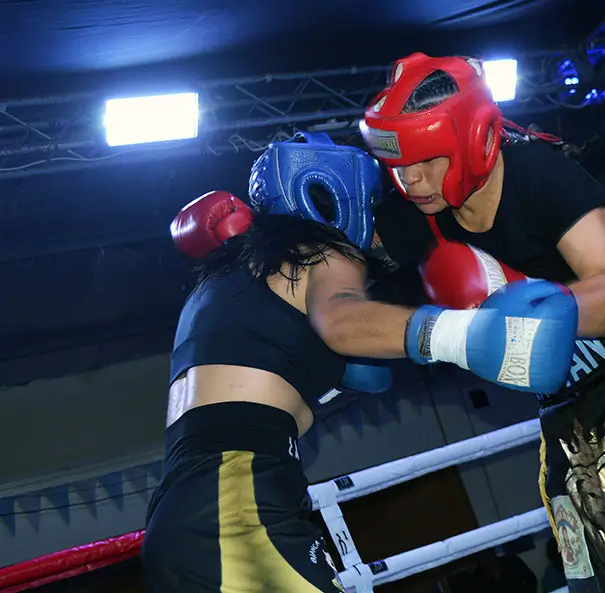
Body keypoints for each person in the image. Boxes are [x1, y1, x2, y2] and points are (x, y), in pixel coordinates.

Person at [360, 53, 605, 593]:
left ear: (474, 138)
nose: (411, 179)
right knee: (590, 588)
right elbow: (347, 269)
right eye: (398, 163)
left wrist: (535, 311)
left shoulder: (537, 174)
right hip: (568, 418)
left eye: (427, 159)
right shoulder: (416, 209)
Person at [140, 131, 580, 593]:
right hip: (237, 504)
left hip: (180, 511)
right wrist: (465, 334)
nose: (373, 231)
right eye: (370, 204)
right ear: (336, 196)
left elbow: (283, 366)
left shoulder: (222, 282)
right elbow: (343, 322)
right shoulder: (319, 250)